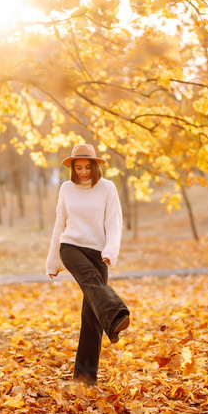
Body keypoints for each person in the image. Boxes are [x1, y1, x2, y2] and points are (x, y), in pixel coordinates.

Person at [46, 143, 130, 385]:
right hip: (70, 247)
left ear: (95, 166)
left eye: (87, 167)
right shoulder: (66, 188)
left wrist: (110, 251)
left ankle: (85, 377)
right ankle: (116, 314)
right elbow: (59, 223)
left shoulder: (107, 188)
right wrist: (53, 260)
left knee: (92, 315)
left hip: (98, 252)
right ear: (72, 168)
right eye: (78, 167)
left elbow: (114, 221)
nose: (83, 172)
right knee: (93, 284)